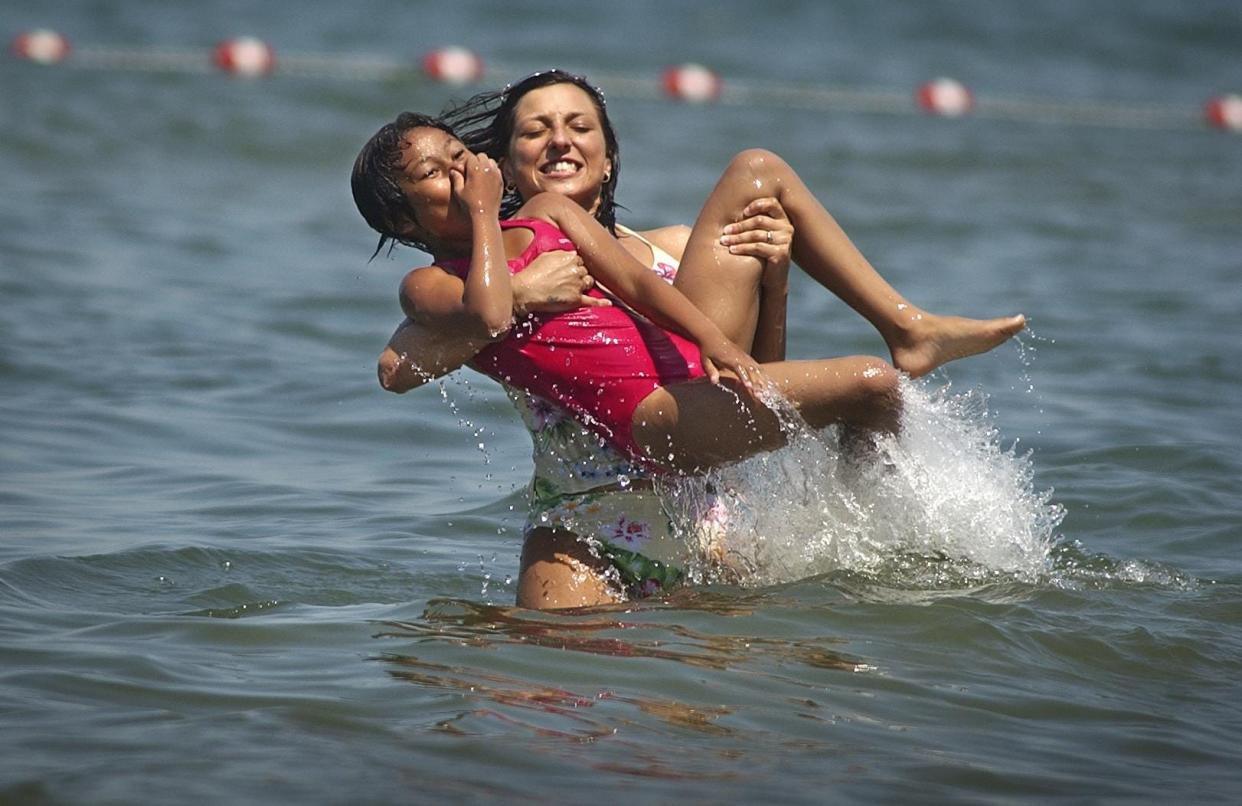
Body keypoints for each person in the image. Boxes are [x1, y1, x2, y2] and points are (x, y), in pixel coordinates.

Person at [352, 107, 1025, 606]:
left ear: (611, 157)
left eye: (456, 157)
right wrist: (504, 252)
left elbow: (643, 285)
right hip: (628, 459)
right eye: (432, 175)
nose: (459, 173)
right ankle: (868, 542)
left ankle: (864, 537)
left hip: (700, 464)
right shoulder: (432, 286)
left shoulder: (564, 219)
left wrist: (727, 332)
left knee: (875, 384)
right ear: (404, 223)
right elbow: (451, 334)